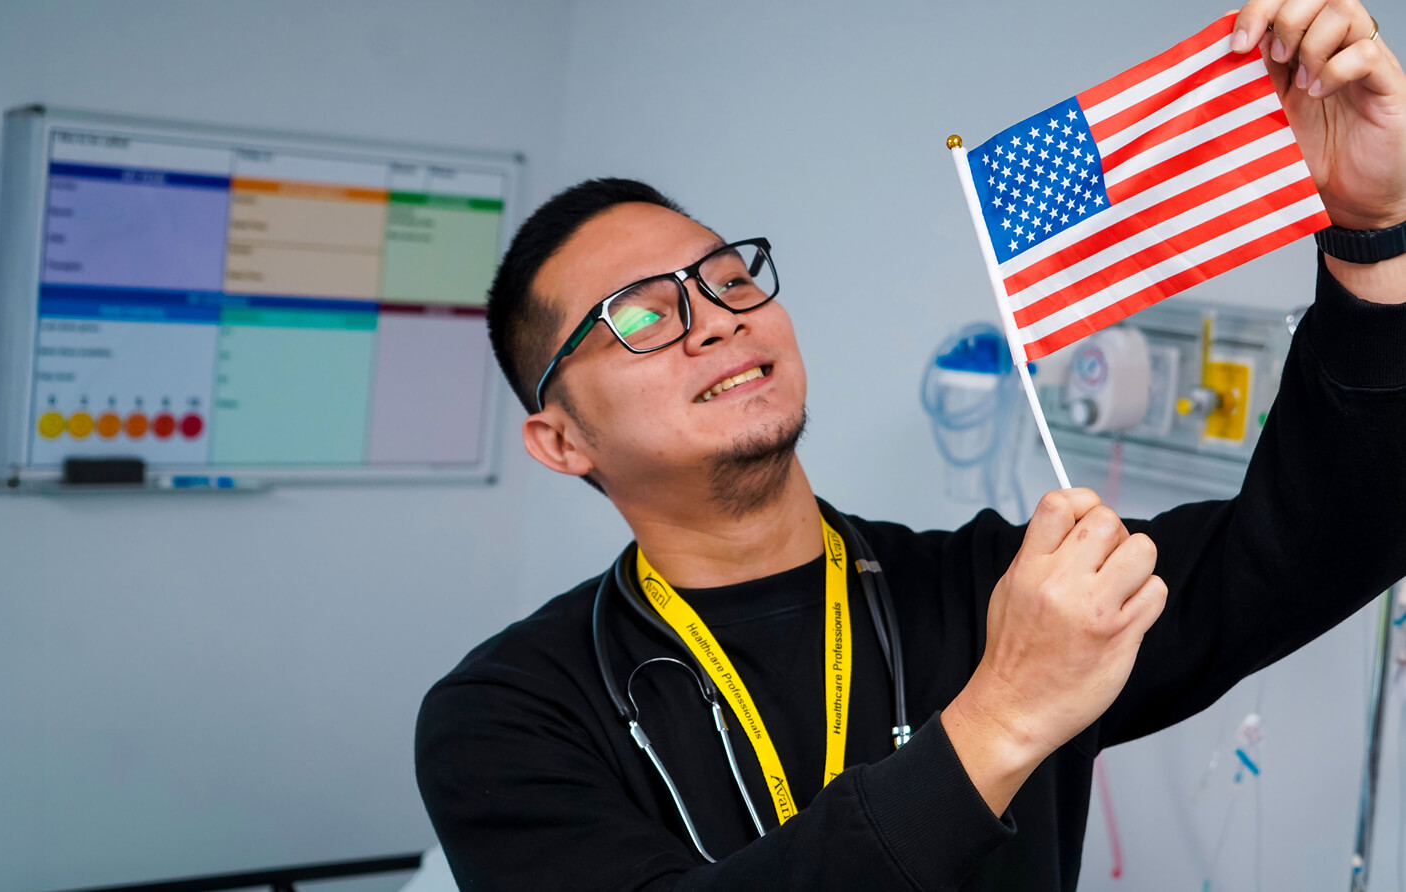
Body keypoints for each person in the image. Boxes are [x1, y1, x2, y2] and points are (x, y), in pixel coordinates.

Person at [414, 1, 1406, 888]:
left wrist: (1374, 228)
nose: (714, 319)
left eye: (727, 277)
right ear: (558, 439)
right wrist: (1007, 708)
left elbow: (1326, 538)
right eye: (638, 316)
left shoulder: (1001, 589)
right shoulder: (506, 714)